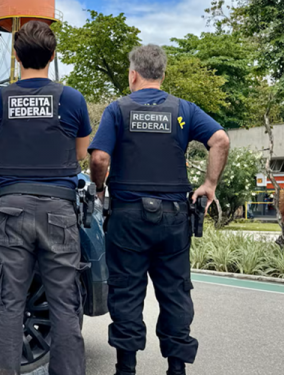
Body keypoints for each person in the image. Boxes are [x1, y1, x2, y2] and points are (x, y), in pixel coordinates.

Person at [89, 45, 230, 375]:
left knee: (126, 292)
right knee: (175, 293)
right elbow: (220, 140)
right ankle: (176, 369)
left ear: (132, 74)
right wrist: (209, 185)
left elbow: (99, 157)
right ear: (162, 75)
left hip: (127, 218)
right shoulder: (183, 110)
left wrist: (99, 188)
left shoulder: (117, 110)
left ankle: (126, 368)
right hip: (173, 218)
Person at [0, 20, 91, 375]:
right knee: (64, 305)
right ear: (53, 55)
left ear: (15, 56)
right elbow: (81, 153)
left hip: (11, 208)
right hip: (59, 210)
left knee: (9, 304)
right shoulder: (71, 99)